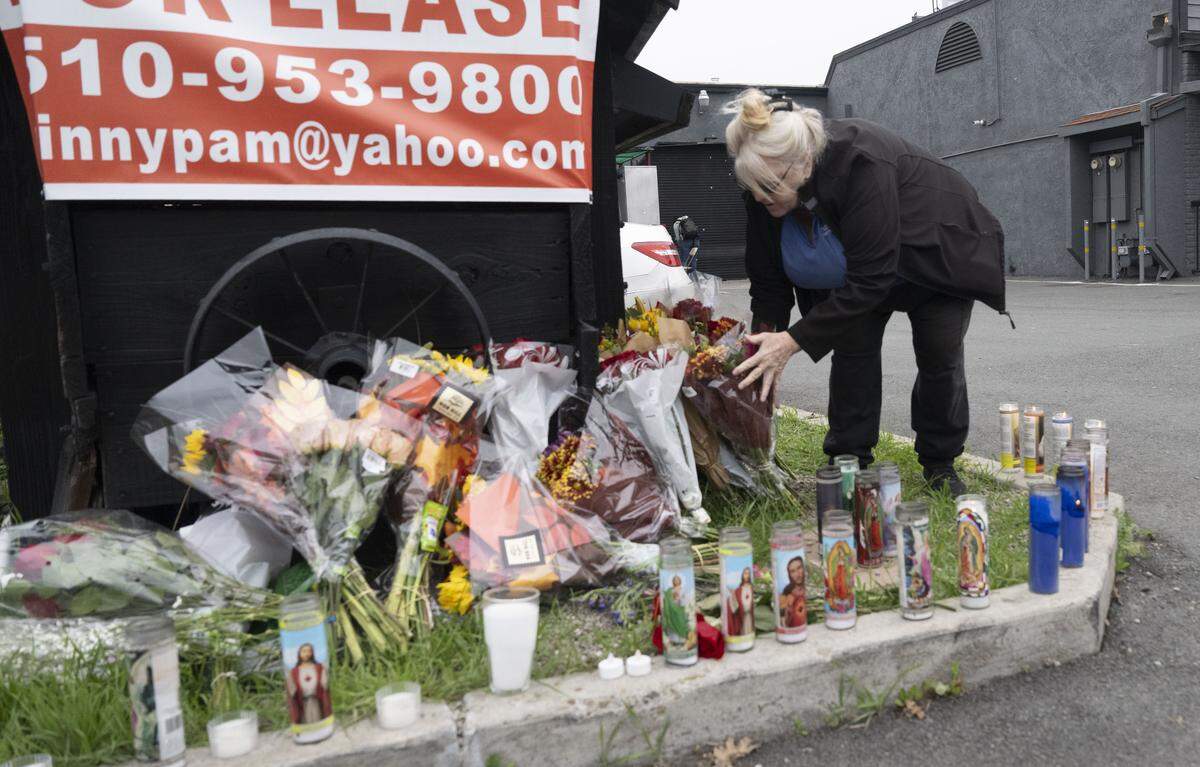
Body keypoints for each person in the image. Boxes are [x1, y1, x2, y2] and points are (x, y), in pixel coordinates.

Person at [725, 89, 1007, 494]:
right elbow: (769, 281)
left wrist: (791, 342)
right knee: (853, 348)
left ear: (803, 163)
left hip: (938, 250)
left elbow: (871, 279)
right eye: (753, 187)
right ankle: (848, 461)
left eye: (769, 186)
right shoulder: (765, 183)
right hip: (865, 264)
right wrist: (760, 352)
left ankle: (940, 462)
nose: (759, 197)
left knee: (938, 352)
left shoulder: (860, 162)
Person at [286, 642, 331, 725]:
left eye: (309, 651)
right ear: (299, 654)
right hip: (303, 703)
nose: (306, 654)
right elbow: (291, 689)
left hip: (316, 701)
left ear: (312, 653)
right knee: (305, 723)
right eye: (303, 651)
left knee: (320, 721)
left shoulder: (319, 668)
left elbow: (324, 684)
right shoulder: (293, 672)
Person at [778, 555, 807, 629]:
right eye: (793, 571)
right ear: (790, 575)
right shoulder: (787, 591)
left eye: (799, 568)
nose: (797, 574)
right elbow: (782, 613)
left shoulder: (806, 586)